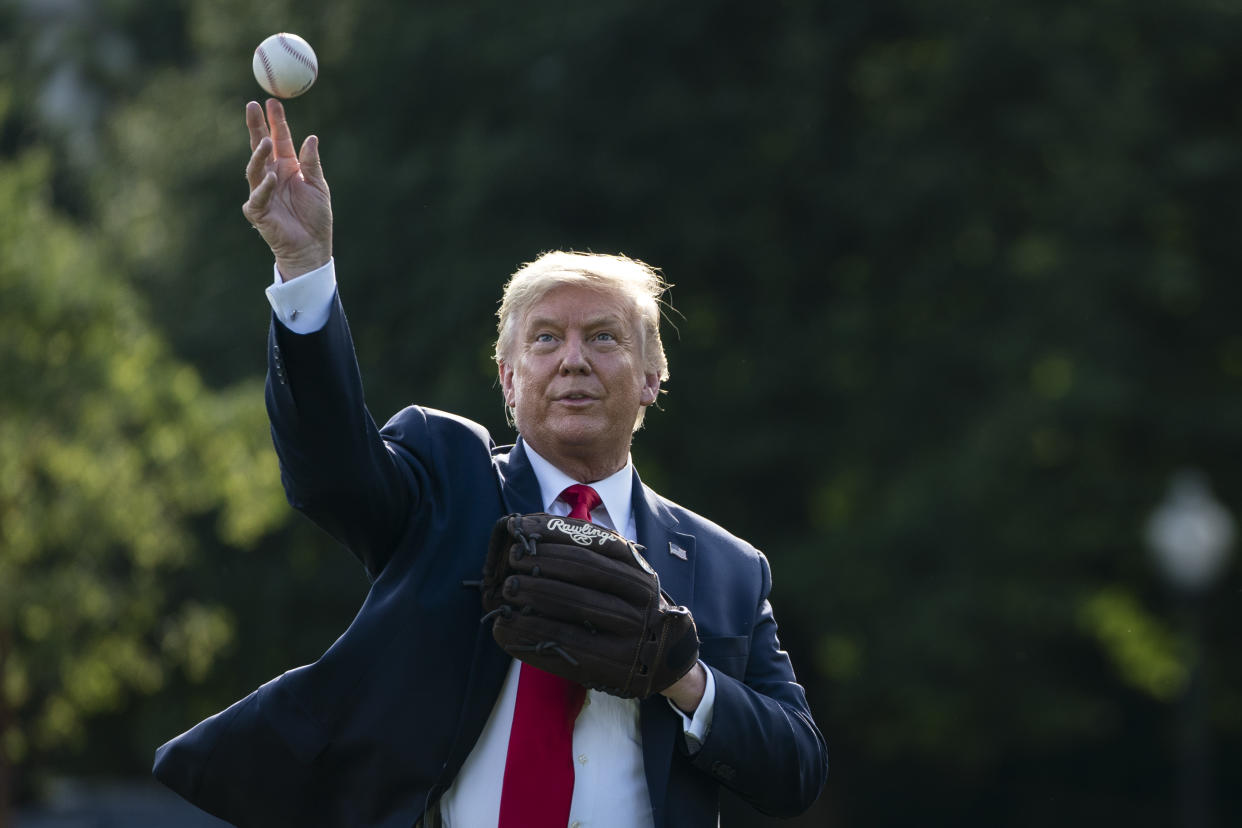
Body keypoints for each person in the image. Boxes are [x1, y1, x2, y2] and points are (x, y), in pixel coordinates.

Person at [153, 98, 827, 828]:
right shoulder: (446, 483)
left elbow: (796, 768)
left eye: (603, 337)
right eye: (544, 340)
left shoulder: (728, 568)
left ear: (652, 376)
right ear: (508, 379)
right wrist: (305, 267)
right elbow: (329, 470)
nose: (573, 360)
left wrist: (683, 679)